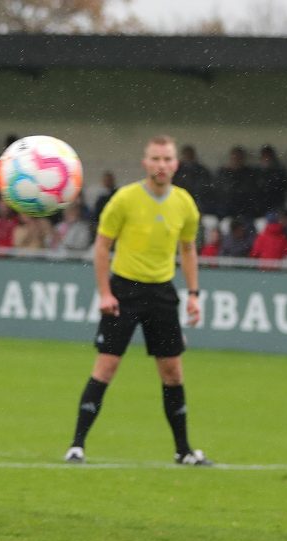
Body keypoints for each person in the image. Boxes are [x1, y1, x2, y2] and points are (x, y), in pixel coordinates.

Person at [65, 135, 210, 466]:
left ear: (176, 164)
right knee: (107, 365)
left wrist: (194, 295)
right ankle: (76, 445)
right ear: (145, 163)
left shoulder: (185, 203)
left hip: (162, 292)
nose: (161, 165)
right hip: (125, 290)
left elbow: (188, 250)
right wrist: (105, 292)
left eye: (167, 159)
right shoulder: (124, 199)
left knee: (172, 371)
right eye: (156, 159)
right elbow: (102, 247)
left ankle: (183, 450)